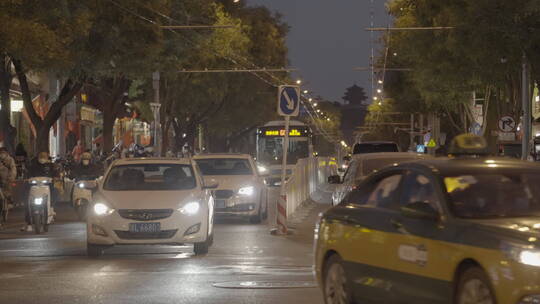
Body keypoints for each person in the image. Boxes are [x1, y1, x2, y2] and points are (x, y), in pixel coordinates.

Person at [22, 151, 57, 232]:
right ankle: (28, 222)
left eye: (44, 157)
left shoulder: (51, 166)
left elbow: (55, 173)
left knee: (55, 192)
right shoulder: (33, 166)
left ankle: (51, 207)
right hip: (34, 187)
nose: (42, 159)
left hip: (47, 186)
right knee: (27, 200)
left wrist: (55, 177)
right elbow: (28, 174)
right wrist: (27, 179)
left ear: (47, 158)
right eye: (41, 157)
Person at [0, 143, 17, 228]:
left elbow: (13, 169)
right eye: (1, 152)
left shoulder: (10, 160)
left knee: (7, 193)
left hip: (6, 180)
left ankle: (10, 201)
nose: (2, 154)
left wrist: (11, 177)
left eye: (3, 152)